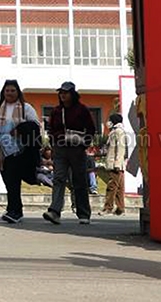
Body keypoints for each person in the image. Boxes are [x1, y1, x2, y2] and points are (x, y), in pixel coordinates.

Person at [0, 79, 39, 223]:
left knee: (14, 181)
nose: (10, 93)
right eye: (7, 90)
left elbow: (35, 125)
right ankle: (11, 209)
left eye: (13, 90)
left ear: (18, 92)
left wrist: (20, 130)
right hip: (2, 150)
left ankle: (16, 211)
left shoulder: (26, 108)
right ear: (3, 92)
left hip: (19, 150)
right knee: (8, 181)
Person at [42, 81, 96, 226]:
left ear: (73, 94)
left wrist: (84, 143)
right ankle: (54, 211)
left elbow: (91, 128)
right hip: (60, 149)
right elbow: (51, 129)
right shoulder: (56, 111)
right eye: (61, 93)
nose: (62, 95)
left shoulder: (82, 110)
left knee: (79, 180)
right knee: (58, 178)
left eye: (66, 93)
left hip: (77, 149)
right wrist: (54, 143)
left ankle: (83, 213)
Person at [102, 113, 132, 216]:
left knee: (112, 186)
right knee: (119, 188)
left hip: (115, 164)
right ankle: (120, 209)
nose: (108, 122)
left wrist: (117, 164)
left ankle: (108, 208)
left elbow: (121, 149)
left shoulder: (118, 132)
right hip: (117, 164)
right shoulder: (115, 131)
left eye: (109, 120)